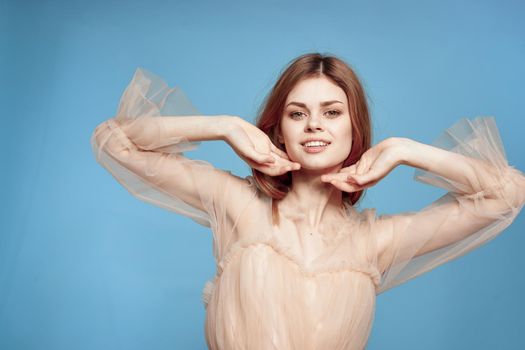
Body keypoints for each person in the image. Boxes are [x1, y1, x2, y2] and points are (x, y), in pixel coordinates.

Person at [90, 52, 525, 350]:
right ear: (279, 128)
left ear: (355, 127)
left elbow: (508, 192)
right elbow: (115, 141)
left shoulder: (374, 242)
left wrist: (403, 149)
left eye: (332, 112)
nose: (314, 125)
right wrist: (224, 125)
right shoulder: (237, 204)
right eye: (298, 113)